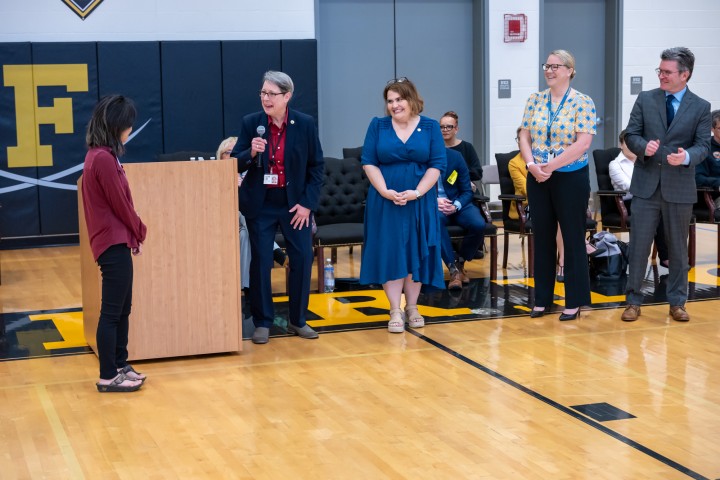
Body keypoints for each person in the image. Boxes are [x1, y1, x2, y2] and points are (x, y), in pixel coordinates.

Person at [230, 71, 324, 344]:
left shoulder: (304, 124)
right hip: (261, 204)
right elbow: (235, 162)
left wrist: (307, 204)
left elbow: (316, 167)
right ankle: (262, 321)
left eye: (271, 94)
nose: (265, 99)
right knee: (260, 262)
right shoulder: (252, 123)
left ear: (287, 96)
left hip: (296, 204)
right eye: (262, 93)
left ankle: (298, 320)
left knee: (302, 258)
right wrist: (252, 153)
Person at [621, 47, 711, 323]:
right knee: (638, 246)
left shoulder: (701, 106)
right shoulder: (646, 99)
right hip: (646, 184)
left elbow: (703, 146)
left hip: (679, 187)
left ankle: (677, 302)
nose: (661, 76)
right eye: (659, 71)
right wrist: (643, 148)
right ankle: (633, 302)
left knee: (677, 250)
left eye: (667, 72)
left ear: (685, 75)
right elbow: (630, 134)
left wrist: (686, 157)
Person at [359, 77, 446, 333]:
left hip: (419, 200)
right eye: (390, 101)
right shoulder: (378, 126)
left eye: (399, 99)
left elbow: (437, 164)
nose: (395, 105)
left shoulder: (430, 127)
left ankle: (413, 306)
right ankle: (395, 308)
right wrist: (385, 191)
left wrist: (417, 192)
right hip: (385, 200)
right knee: (391, 250)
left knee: (416, 250)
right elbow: (368, 161)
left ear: (411, 99)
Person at [518, 49, 596, 321]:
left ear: (569, 70)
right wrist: (532, 166)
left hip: (570, 176)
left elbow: (583, 143)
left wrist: (551, 166)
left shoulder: (582, 102)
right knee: (542, 235)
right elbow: (524, 136)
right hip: (537, 175)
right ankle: (542, 299)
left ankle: (574, 301)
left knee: (573, 237)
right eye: (546, 66)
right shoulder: (535, 100)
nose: (549, 71)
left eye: (555, 66)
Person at [81, 95, 147, 392]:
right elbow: (120, 204)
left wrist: (132, 233)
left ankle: (120, 364)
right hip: (111, 242)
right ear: (118, 125)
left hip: (116, 241)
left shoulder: (102, 155)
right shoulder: (103, 159)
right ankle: (108, 374)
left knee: (122, 309)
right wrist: (139, 229)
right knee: (112, 312)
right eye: (128, 124)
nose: (130, 129)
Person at [217, 137, 286, 292]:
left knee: (245, 235)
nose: (232, 156)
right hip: (226, 218)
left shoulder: (252, 174)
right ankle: (274, 249)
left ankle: (247, 289)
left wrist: (243, 189)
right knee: (249, 218)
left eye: (237, 152)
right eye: (228, 152)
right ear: (221, 156)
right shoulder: (215, 173)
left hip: (244, 224)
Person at [608, 130, 669, 267]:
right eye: (628, 143)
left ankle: (668, 256)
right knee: (656, 212)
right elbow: (628, 185)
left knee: (666, 211)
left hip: (648, 199)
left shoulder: (645, 162)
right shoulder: (615, 164)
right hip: (627, 203)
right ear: (621, 144)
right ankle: (663, 258)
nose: (632, 147)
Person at [438, 148, 485, 290]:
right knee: (434, 222)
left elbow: (466, 190)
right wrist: (434, 201)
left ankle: (460, 262)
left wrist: (456, 205)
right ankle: (453, 270)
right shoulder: (421, 157)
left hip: (459, 204)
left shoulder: (455, 157)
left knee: (478, 224)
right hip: (434, 205)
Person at [439, 111, 482, 184]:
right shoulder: (436, 148)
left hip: (464, 187)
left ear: (456, 129)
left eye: (449, 127)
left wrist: (455, 174)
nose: (445, 130)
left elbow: (477, 173)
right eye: (442, 127)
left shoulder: (467, 147)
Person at [694, 109, 720, 221]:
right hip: (714, 195)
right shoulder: (704, 148)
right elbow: (697, 178)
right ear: (712, 129)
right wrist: (717, 183)